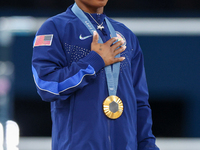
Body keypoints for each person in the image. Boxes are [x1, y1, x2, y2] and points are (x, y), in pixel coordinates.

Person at [32, 0, 160, 149]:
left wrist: (148, 146)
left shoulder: (126, 35)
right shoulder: (55, 28)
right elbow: (46, 85)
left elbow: (140, 102)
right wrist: (94, 61)